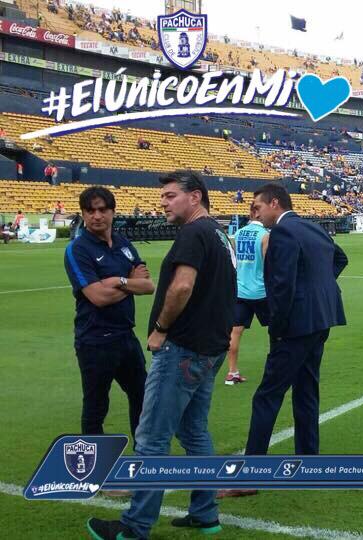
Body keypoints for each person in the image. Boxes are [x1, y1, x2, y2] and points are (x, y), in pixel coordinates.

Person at [86, 171, 237, 539]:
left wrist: (161, 329)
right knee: (194, 431)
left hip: (184, 348)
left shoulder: (193, 233)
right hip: (211, 347)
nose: (163, 202)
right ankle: (205, 513)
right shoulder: (219, 234)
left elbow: (182, 286)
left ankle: (134, 527)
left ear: (195, 197)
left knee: (152, 436)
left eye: (171, 196)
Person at [224, 184, 348, 498]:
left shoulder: (282, 233)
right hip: (322, 320)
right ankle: (308, 464)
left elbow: (281, 287)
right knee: (306, 391)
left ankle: (249, 477)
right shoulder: (312, 228)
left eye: (257, 206)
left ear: (274, 203)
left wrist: (276, 328)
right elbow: (340, 259)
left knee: (266, 396)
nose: (255, 213)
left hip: (295, 327)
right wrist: (318, 288)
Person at [64, 186, 154, 445]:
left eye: (102, 209)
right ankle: (94, 473)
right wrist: (127, 282)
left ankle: (142, 457)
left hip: (125, 337)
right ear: (83, 214)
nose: (96, 216)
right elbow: (98, 297)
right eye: (90, 211)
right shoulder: (78, 249)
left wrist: (116, 281)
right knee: (95, 407)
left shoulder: (124, 244)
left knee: (142, 395)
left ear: (113, 212)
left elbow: (148, 286)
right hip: (95, 341)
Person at [225, 203, 270, 385]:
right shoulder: (266, 235)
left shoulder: (238, 233)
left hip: (241, 291)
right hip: (261, 292)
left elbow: (234, 261)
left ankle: (232, 372)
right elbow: (269, 265)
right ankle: (279, 371)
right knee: (277, 331)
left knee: (235, 333)